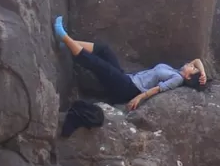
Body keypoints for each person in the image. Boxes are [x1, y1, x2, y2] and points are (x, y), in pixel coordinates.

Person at [54, 16, 206, 110]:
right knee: (105, 50)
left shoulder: (177, 80)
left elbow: (157, 90)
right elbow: (197, 60)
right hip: (127, 78)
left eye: (192, 69)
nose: (191, 65)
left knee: (98, 65)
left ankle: (64, 37)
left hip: (128, 89)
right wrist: (203, 73)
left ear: (187, 77)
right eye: (192, 67)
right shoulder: (176, 71)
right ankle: (68, 43)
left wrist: (138, 98)